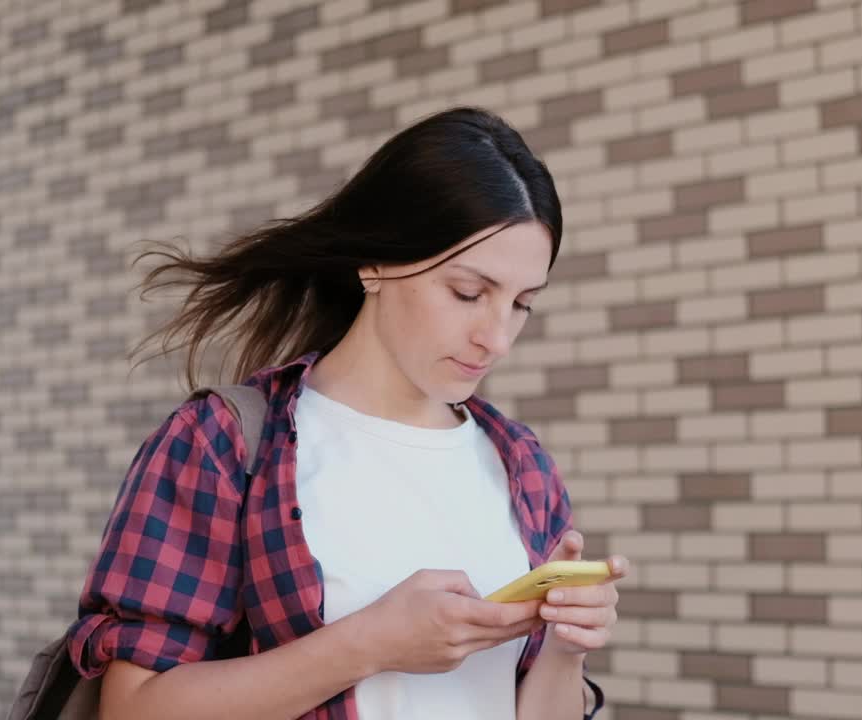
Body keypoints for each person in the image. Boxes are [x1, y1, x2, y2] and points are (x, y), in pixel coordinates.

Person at [67, 106, 629, 720]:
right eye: (469, 293)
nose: (497, 338)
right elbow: (132, 708)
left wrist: (567, 649)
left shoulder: (520, 462)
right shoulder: (224, 445)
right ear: (376, 262)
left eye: (522, 304)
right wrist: (370, 643)